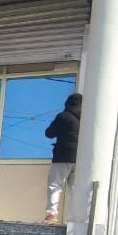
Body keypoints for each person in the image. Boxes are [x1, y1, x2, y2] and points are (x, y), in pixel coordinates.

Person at [44, 93, 81, 223]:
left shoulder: (64, 116)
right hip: (80, 158)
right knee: (75, 189)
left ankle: (52, 215)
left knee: (55, 185)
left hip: (62, 156)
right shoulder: (85, 119)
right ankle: (77, 218)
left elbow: (49, 133)